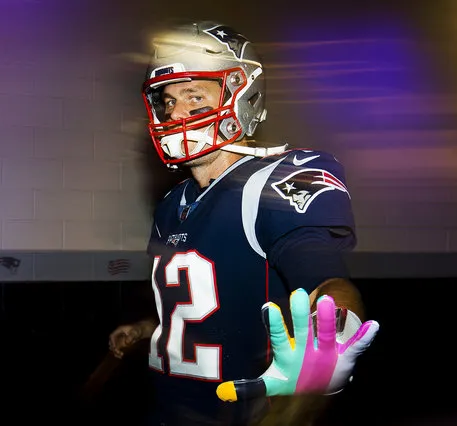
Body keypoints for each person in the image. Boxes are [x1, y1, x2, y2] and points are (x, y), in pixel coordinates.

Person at [108, 20, 379, 426]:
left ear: (242, 95)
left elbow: (327, 282)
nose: (174, 111)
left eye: (193, 96)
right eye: (166, 100)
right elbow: (206, 303)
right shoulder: (171, 204)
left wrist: (334, 338)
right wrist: (150, 327)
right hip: (167, 411)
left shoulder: (274, 182)